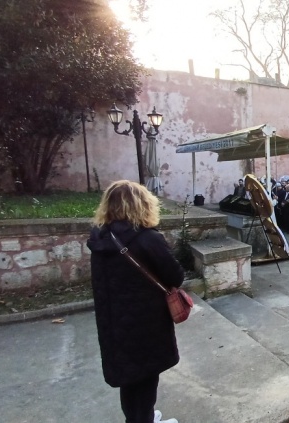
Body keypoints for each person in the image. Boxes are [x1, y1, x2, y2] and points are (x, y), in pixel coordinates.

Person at [87, 180, 183, 423]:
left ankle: (143, 418)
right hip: (144, 321)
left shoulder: (101, 238)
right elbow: (175, 276)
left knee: (129, 378)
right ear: (142, 204)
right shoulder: (147, 238)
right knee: (146, 377)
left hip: (113, 321)